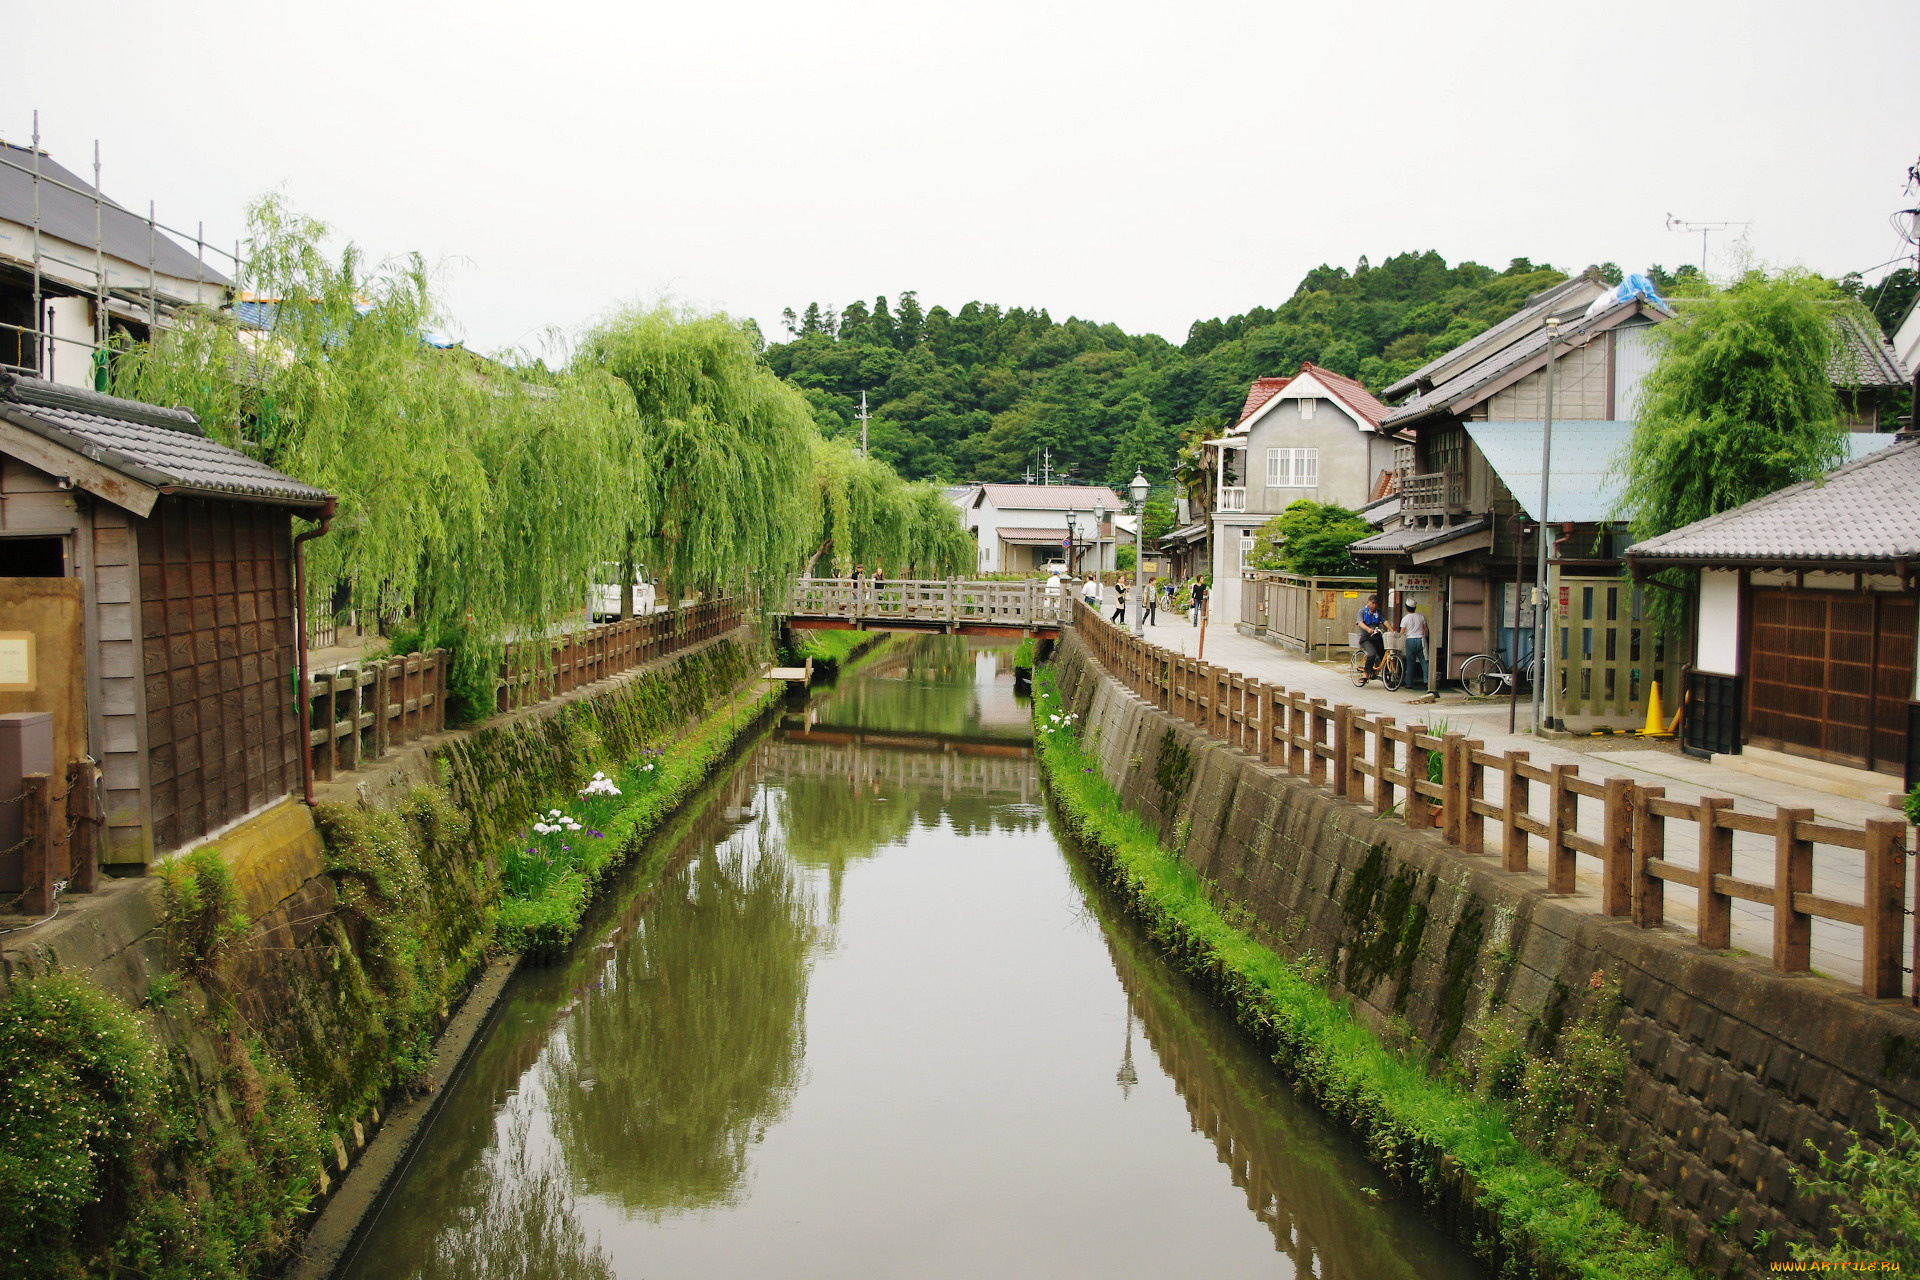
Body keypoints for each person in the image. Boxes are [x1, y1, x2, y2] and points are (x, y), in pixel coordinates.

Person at [1401, 600, 1430, 689]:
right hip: (1421, 640)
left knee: (1410, 663)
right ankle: (1427, 681)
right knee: (1424, 661)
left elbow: (1402, 632)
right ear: (1415, 608)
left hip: (1410, 640)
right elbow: (1426, 630)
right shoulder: (1421, 616)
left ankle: (1409, 684)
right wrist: (1427, 639)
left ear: (1406, 608)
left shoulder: (1405, 618)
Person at [1358, 593, 1384, 678]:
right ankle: (1366, 675)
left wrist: (1392, 630)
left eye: (1375, 604)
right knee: (1372, 654)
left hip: (1376, 637)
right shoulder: (1362, 611)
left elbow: (1385, 621)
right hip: (1366, 638)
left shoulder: (1378, 612)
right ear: (1368, 602)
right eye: (1372, 603)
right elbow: (1360, 623)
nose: (1373, 605)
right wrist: (1368, 629)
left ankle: (1386, 676)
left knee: (1384, 655)